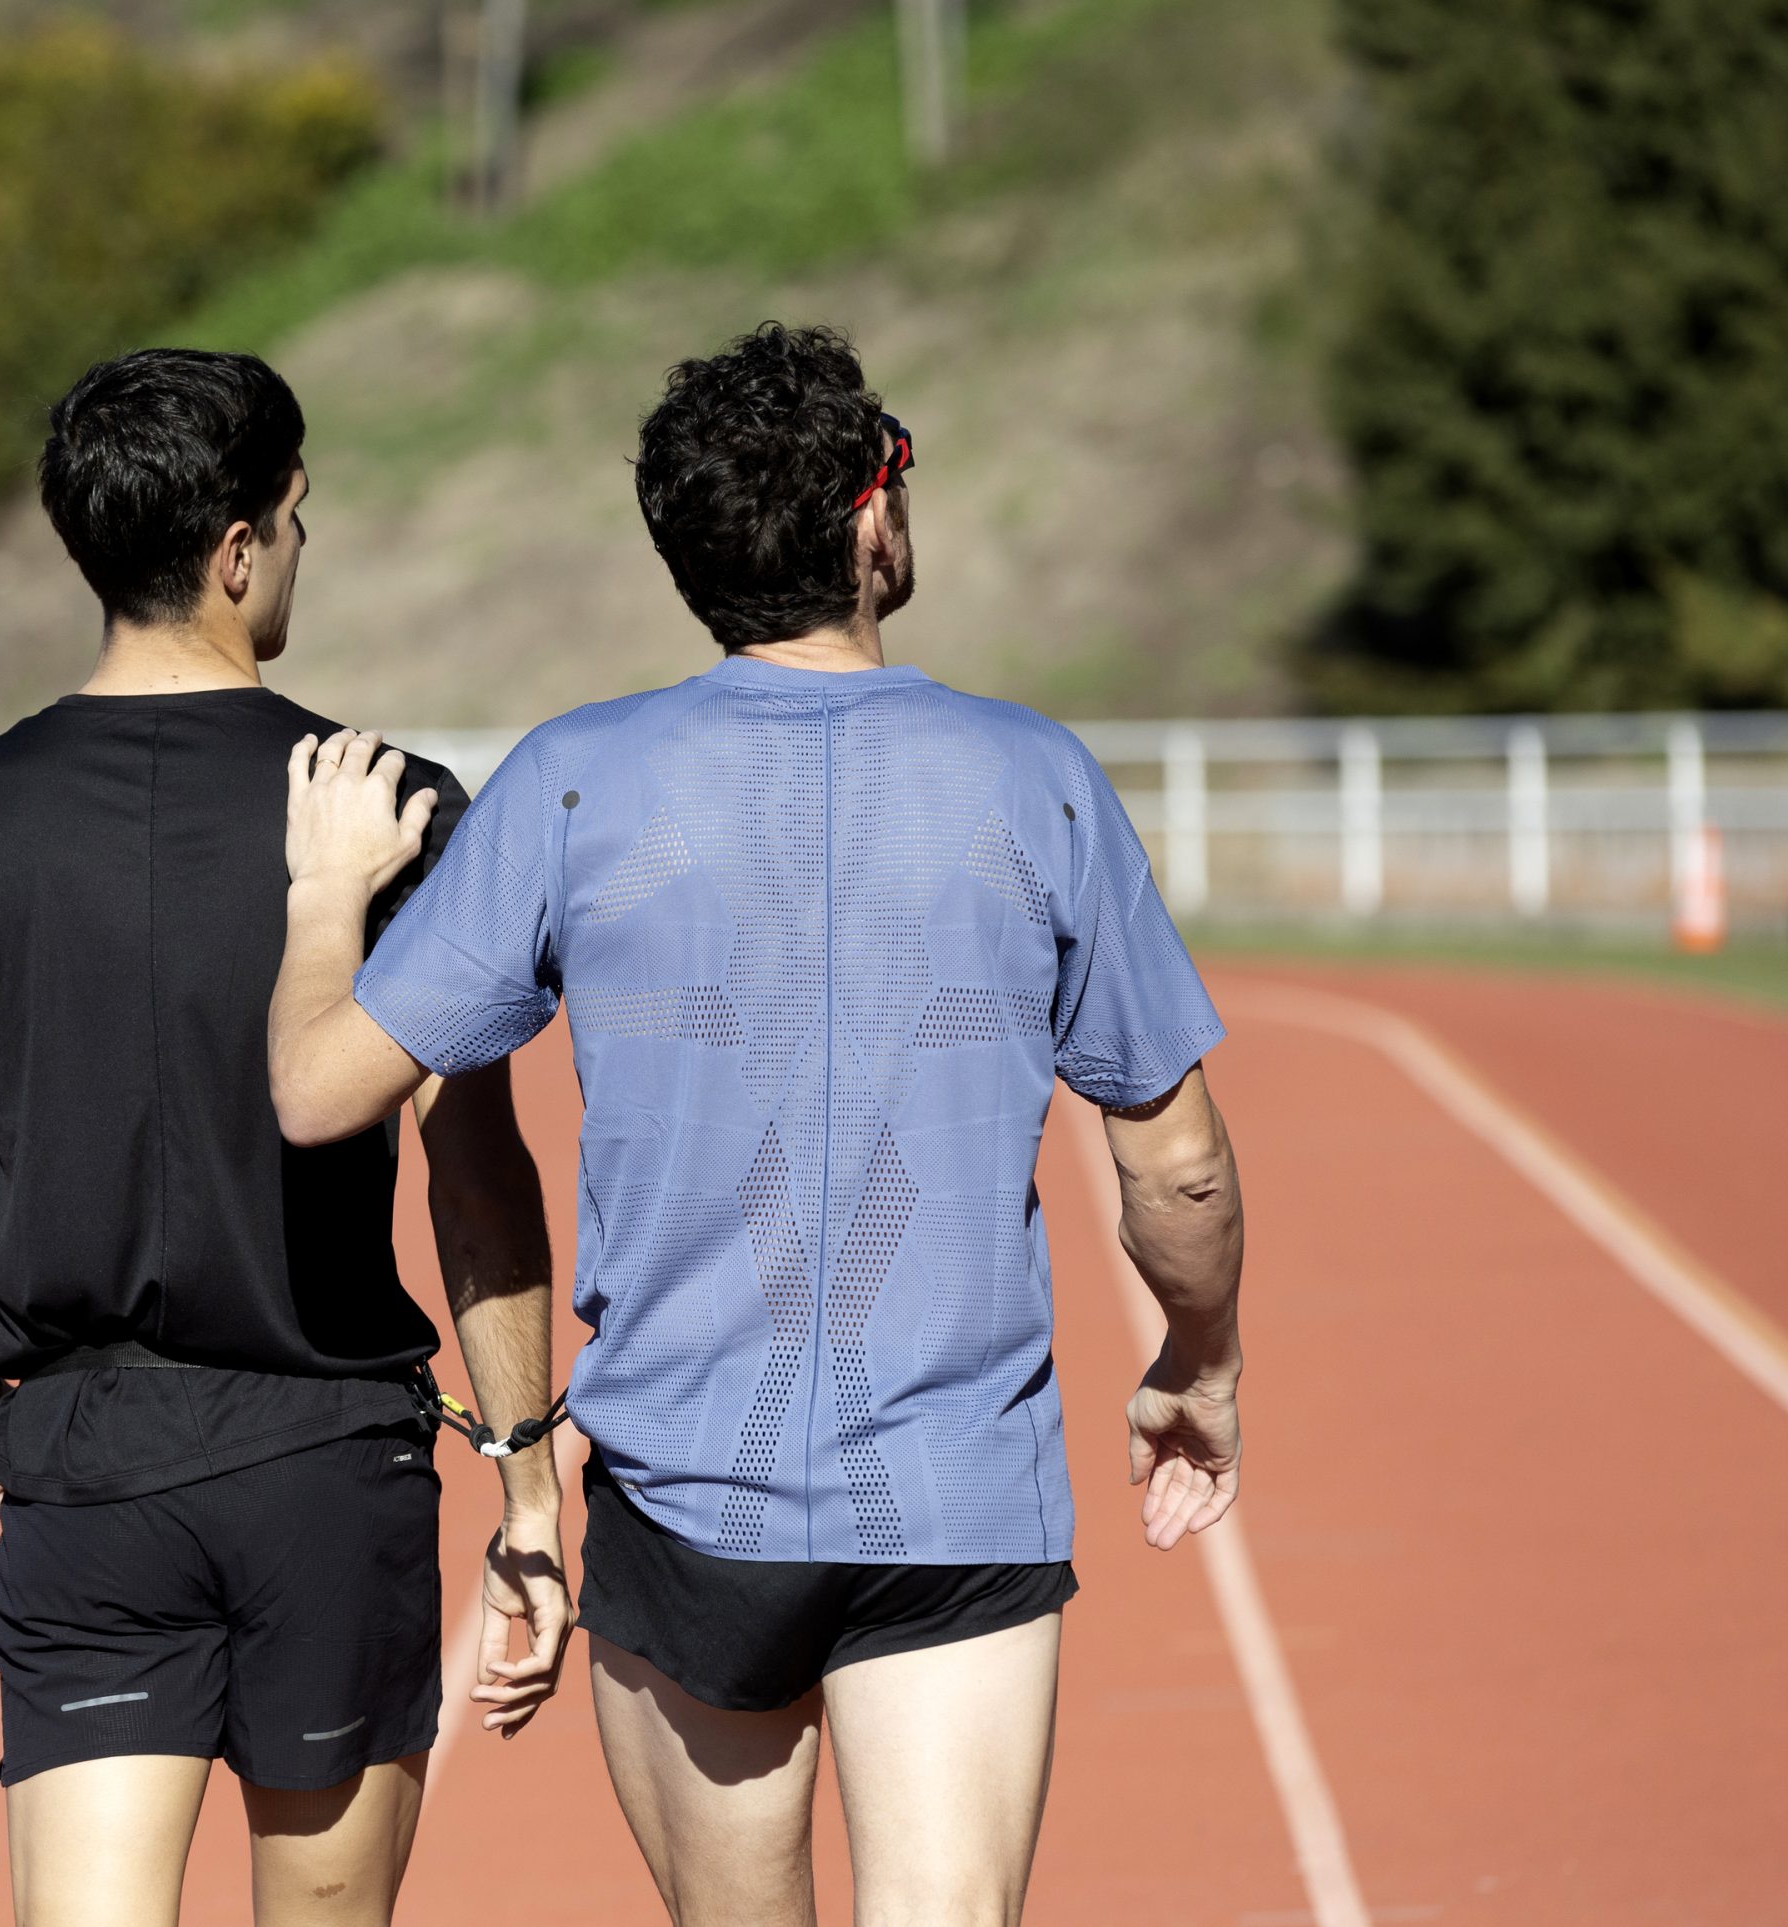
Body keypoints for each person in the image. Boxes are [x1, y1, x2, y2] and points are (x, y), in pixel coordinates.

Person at [267, 324, 1245, 1926]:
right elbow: (1179, 1165)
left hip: (688, 1493)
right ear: (874, 516)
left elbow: (319, 1091)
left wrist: (324, 900)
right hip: (953, 1494)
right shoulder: (1039, 778)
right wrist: (1198, 1360)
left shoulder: (572, 781)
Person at [0, 347, 571, 1927]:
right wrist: (527, 1473)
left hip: (89, 1469)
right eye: (301, 517)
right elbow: (478, 1182)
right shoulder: (393, 809)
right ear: (241, 546)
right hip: (329, 1459)